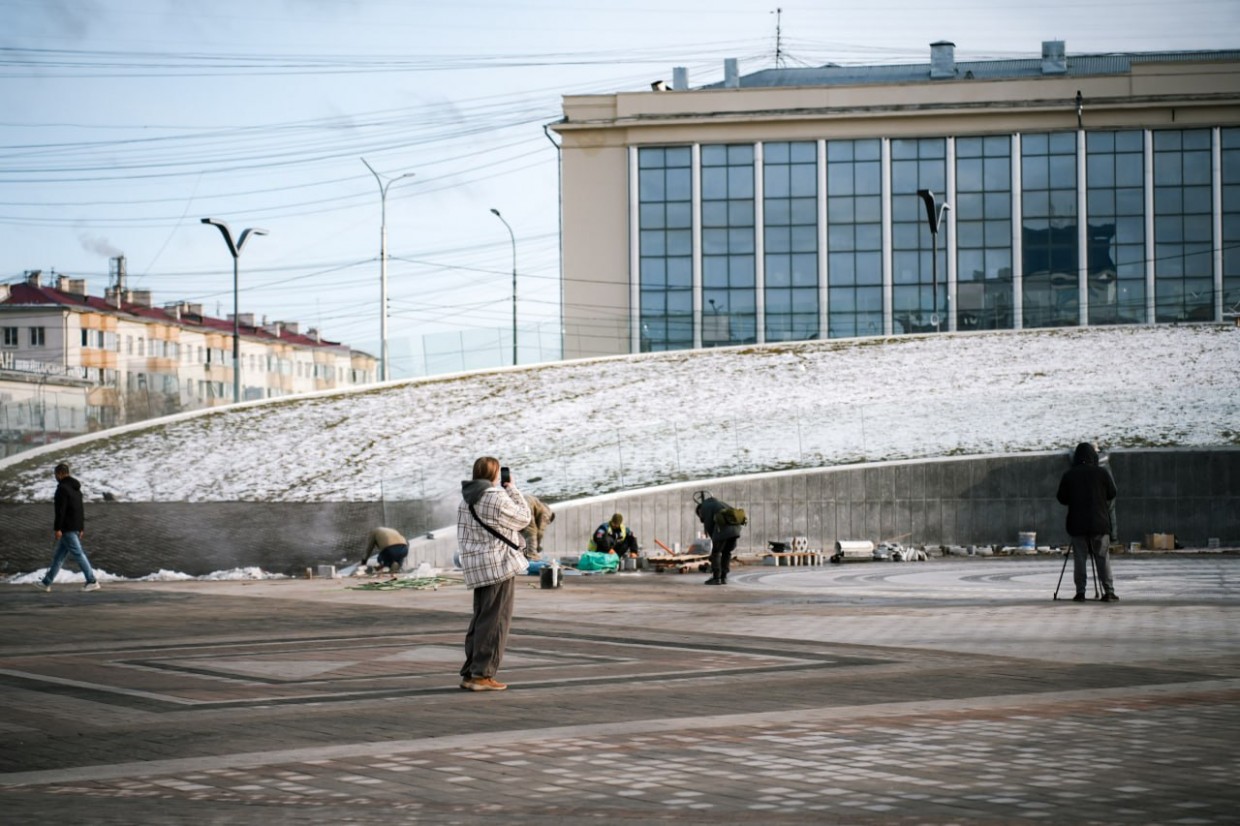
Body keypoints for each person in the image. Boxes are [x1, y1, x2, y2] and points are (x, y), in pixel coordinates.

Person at [457, 457, 531, 692]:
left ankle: (471, 671)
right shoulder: (493, 496)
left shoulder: (466, 499)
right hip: (498, 565)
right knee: (496, 620)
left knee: (481, 619)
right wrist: (513, 489)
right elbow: (523, 518)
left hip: (478, 567)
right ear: (494, 474)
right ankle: (483, 674)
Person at [1057, 442, 1119, 602]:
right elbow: (1112, 493)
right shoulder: (1102, 473)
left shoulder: (1069, 475)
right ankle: (1109, 591)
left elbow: (1061, 498)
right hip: (1100, 523)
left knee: (1080, 558)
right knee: (1102, 557)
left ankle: (1080, 592)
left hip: (1077, 524)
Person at [33, 462, 100, 593]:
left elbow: (60, 511)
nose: (55, 477)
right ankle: (46, 582)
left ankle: (92, 581)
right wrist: (81, 528)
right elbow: (80, 509)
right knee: (58, 557)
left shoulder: (62, 489)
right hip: (74, 527)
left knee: (78, 554)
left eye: (55, 474)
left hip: (67, 528)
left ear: (60, 474)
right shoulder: (76, 489)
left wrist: (57, 529)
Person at [694, 490, 744, 585]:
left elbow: (709, 525)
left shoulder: (705, 508)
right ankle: (723, 577)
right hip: (736, 530)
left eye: (700, 516)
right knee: (726, 552)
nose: (701, 518)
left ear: (699, 511)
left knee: (716, 552)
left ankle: (716, 578)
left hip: (724, 530)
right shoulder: (720, 504)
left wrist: (713, 540)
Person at [520, 493, 555, 560]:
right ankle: (532, 555)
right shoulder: (547, 513)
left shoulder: (540, 506)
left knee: (523, 532)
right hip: (526, 505)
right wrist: (537, 547)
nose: (546, 523)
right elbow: (540, 532)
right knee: (531, 531)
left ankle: (524, 554)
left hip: (518, 503)